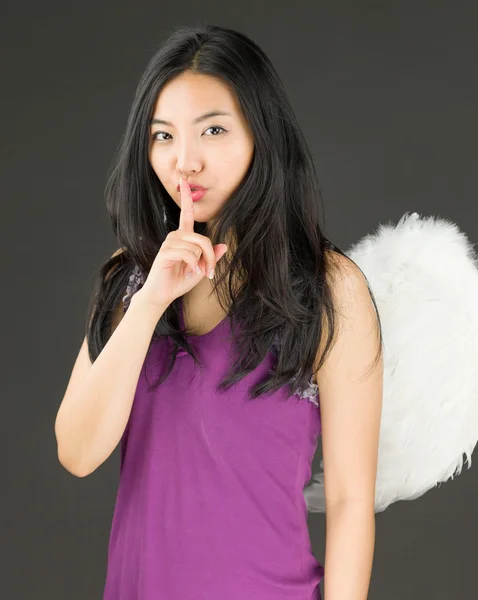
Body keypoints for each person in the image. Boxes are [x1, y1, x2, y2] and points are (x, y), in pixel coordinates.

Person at [54, 24, 384, 600]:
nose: (185, 161)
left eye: (212, 129)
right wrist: (151, 298)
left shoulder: (329, 288)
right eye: (163, 135)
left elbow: (352, 501)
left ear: (262, 132)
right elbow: (77, 452)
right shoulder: (131, 277)